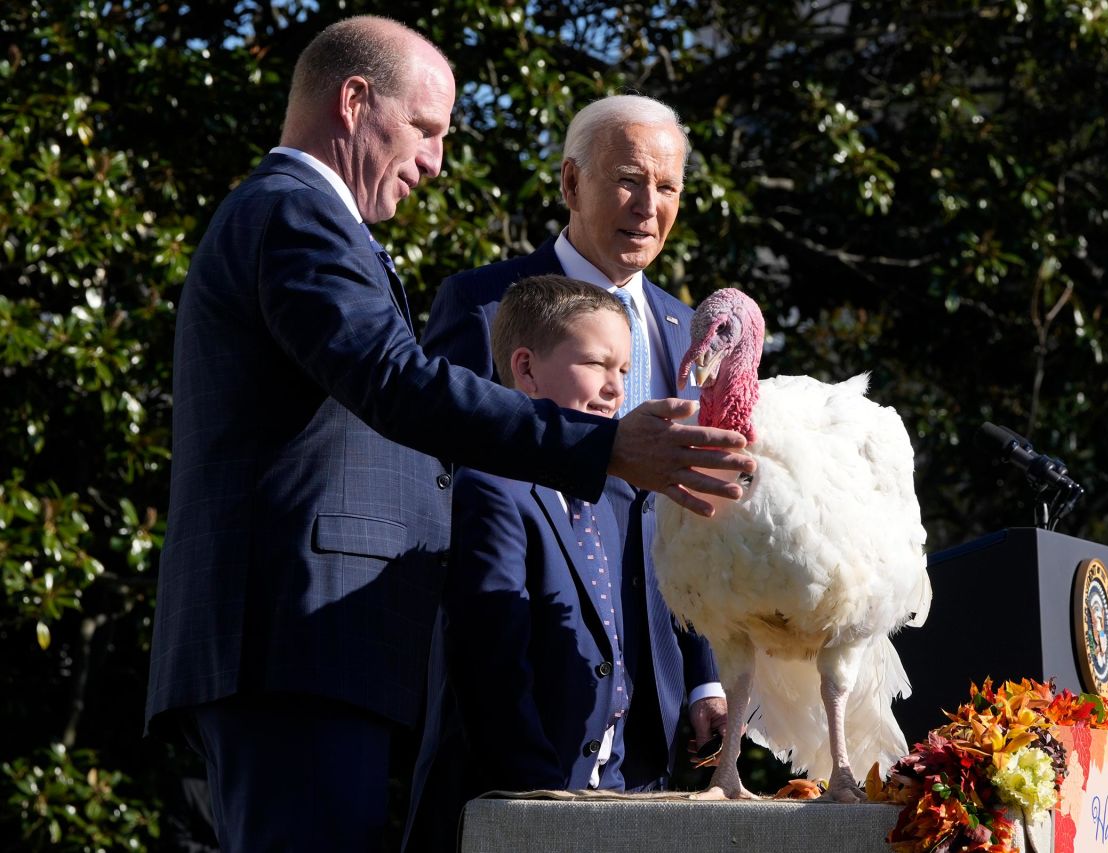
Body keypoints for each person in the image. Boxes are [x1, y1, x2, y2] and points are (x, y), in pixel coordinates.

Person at [142, 17, 753, 853]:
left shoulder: (302, 220)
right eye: (425, 130)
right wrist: (602, 445)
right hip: (295, 644)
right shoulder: (294, 215)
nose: (433, 162)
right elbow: (399, 383)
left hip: (315, 651)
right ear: (354, 102)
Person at [415, 94, 728, 798]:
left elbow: (695, 513)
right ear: (570, 183)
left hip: (655, 710)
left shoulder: (688, 329)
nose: (648, 205)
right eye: (628, 179)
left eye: (668, 187)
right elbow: (443, 476)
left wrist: (706, 669)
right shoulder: (483, 304)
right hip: (523, 687)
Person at [422, 275, 638, 848]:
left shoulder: (612, 498)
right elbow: (491, 666)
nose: (616, 388)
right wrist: (541, 803)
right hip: (520, 809)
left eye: (624, 369)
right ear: (525, 369)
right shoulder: (492, 487)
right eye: (597, 365)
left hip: (602, 803)